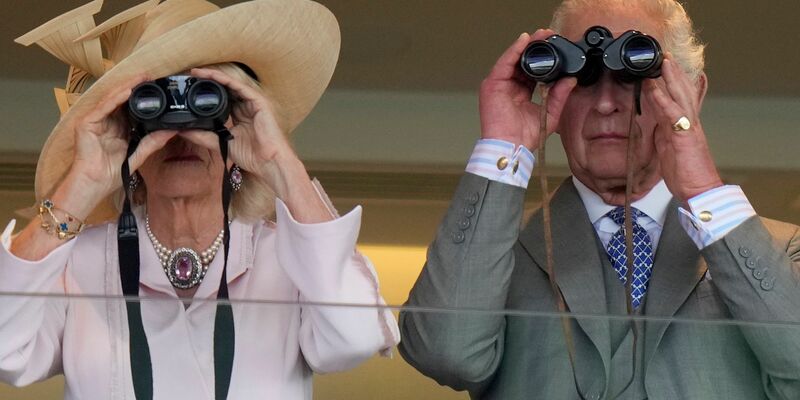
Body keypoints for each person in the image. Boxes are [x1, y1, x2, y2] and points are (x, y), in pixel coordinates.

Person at [398, 0, 800, 399]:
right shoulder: (497, 255)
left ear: (691, 93)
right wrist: (504, 146)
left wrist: (705, 193)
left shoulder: (784, 250)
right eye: (584, 77)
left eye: (634, 71)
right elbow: (443, 354)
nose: (606, 104)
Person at [0, 0, 399, 399]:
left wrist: (279, 164)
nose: (182, 131)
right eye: (153, 107)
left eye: (207, 102)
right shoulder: (77, 263)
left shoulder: (290, 261)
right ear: (126, 129)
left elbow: (355, 337)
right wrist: (82, 183)